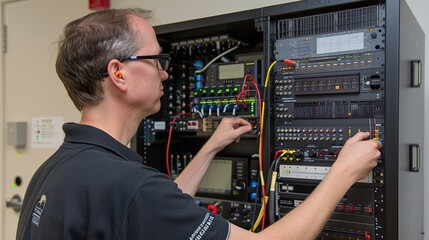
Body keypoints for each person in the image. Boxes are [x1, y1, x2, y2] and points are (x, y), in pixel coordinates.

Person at [16, 8, 382, 240]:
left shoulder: (58, 168)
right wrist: (342, 173)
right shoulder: (129, 185)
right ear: (119, 73)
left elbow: (158, 207)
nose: (165, 71)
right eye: (156, 59)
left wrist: (211, 146)